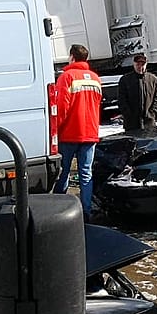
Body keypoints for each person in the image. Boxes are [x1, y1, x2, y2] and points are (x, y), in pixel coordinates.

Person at [52, 44, 103, 218]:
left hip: (69, 134)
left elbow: (61, 108)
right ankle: (86, 211)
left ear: (72, 57)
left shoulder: (67, 77)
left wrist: (55, 131)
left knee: (63, 172)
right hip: (90, 134)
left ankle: (58, 210)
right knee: (86, 174)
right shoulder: (96, 79)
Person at [118, 53, 157, 132]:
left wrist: (152, 113)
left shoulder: (153, 80)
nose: (140, 67)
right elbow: (122, 99)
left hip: (149, 122)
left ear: (146, 64)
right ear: (134, 64)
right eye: (138, 64)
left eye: (142, 64)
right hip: (131, 123)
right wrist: (128, 114)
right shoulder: (125, 80)